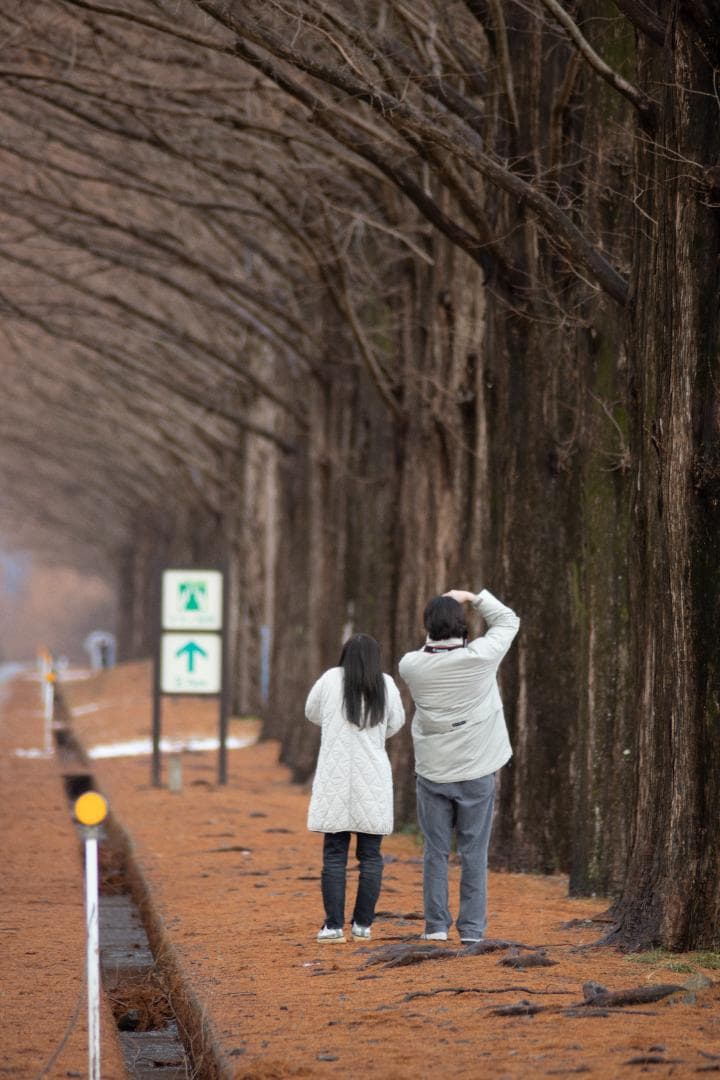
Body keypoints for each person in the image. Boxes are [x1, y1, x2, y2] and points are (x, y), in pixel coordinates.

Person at [398, 588, 520, 944]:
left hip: (433, 771)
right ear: (463, 627)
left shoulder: (411, 665)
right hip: (477, 769)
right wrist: (474, 597)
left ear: (428, 628)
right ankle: (472, 930)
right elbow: (508, 620)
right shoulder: (480, 657)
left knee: (435, 852)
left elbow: (427, 650)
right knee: (474, 853)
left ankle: (436, 926)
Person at [305, 633, 405, 943]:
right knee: (371, 856)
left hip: (334, 778)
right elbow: (396, 723)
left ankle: (333, 926)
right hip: (372, 778)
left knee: (334, 855)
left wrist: (335, 725)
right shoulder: (385, 683)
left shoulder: (330, 679)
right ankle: (363, 925)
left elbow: (311, 712)